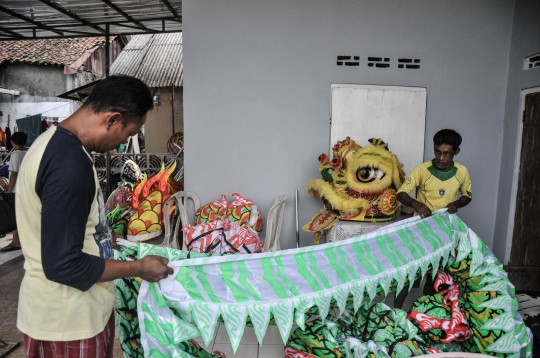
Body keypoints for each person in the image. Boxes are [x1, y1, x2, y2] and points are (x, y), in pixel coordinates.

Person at [15, 75, 172, 358]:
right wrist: (139, 267)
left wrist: (112, 239)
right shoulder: (69, 164)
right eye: (128, 133)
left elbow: (60, 226)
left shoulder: (52, 145)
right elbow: (63, 264)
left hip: (70, 314)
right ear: (112, 119)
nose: (123, 141)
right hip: (67, 322)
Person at [396, 129, 472, 218]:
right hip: (423, 222)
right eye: (437, 152)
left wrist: (456, 204)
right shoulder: (421, 169)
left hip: (447, 223)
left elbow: (467, 196)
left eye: (446, 154)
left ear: (456, 152)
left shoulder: (462, 171)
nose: (441, 158)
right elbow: (400, 194)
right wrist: (416, 204)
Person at [0, 131, 27, 252]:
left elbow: (13, 175)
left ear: (12, 142)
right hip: (25, 189)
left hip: (16, 190)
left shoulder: (15, 155)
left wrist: (9, 191)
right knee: (21, 215)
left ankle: (16, 241)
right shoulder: (27, 153)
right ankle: (21, 239)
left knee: (13, 215)